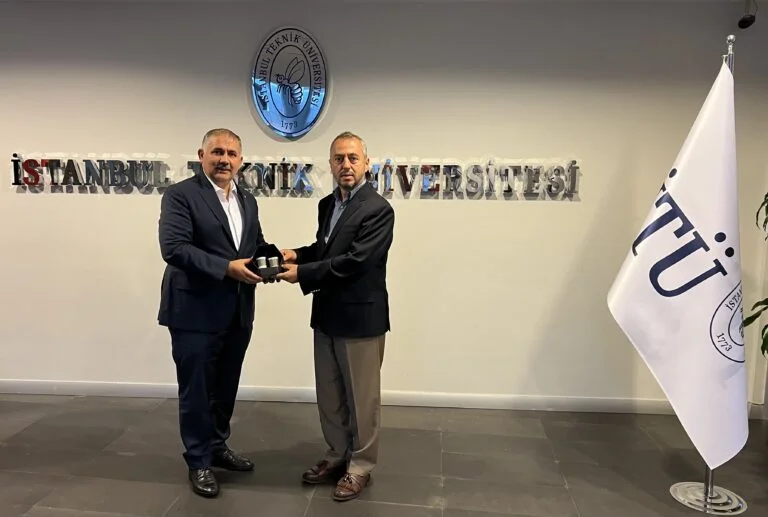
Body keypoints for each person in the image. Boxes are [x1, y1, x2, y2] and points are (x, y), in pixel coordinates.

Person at [276, 131, 395, 502]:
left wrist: (303, 273)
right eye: (339, 158)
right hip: (326, 315)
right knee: (329, 394)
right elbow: (326, 249)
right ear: (330, 164)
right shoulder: (327, 204)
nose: (346, 165)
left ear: (366, 163)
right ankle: (337, 453)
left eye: (353, 158)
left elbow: (356, 261)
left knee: (362, 399)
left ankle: (360, 466)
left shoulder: (378, 209)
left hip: (361, 320)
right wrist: (297, 254)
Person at [158, 128, 272, 498]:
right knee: (196, 390)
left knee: (225, 386)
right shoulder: (180, 195)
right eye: (217, 152)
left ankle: (217, 445)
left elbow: (254, 244)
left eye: (231, 154)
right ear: (201, 155)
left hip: (237, 309)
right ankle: (198, 460)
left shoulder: (247, 199)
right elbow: (174, 248)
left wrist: (275, 260)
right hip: (194, 310)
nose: (224, 159)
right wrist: (226, 268)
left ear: (241, 160)